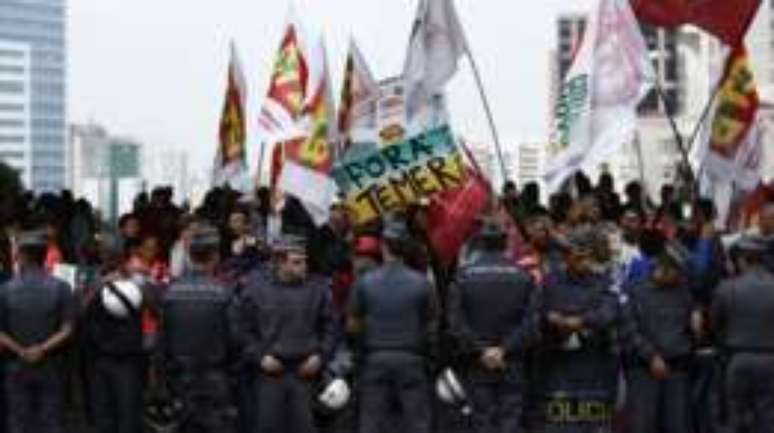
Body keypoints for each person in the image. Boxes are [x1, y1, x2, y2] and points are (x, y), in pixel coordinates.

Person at [447, 220, 542, 433]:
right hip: (512, 362)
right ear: (506, 243)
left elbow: (456, 324)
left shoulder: (463, 277)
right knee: (511, 420)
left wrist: (482, 350)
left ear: (480, 243)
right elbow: (531, 323)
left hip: (477, 364)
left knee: (482, 421)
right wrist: (504, 349)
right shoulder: (523, 277)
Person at [347, 216, 439, 433]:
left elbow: (352, 326)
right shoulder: (423, 284)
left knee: (372, 421)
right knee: (417, 423)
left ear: (384, 246)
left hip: (375, 359)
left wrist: (361, 350)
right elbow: (432, 326)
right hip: (412, 359)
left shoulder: (365, 282)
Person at [240, 234, 336, 433]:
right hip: (269, 375)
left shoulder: (317, 289)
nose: (304, 267)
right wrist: (259, 357)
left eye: (304, 262)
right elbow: (243, 330)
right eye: (296, 262)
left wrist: (320, 356)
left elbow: (331, 327)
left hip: (306, 374)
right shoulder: (256, 290)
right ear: (279, 262)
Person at [535, 229, 621, 433]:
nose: (584, 260)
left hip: (594, 364)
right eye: (578, 255)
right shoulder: (551, 281)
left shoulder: (602, 281)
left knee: (593, 423)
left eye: (587, 255)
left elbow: (609, 313)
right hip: (558, 365)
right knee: (560, 424)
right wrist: (551, 319)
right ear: (567, 256)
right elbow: (536, 312)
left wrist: (580, 321)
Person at [159, 224, 239, 433]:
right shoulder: (225, 293)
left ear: (189, 255)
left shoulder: (171, 293)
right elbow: (237, 340)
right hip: (217, 382)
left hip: (180, 382)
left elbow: (161, 346)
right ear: (215, 256)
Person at [0, 229, 77, 433]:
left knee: (18, 421)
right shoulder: (62, 288)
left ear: (22, 256)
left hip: (16, 365)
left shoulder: (6, 290)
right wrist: (41, 349)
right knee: (51, 421)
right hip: (51, 364)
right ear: (45, 256)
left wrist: (21, 351)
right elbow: (68, 329)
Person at [621, 246, 702, 433]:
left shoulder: (683, 290)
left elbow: (691, 317)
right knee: (644, 424)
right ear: (664, 269)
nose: (681, 278)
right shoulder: (635, 290)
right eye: (678, 273)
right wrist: (651, 356)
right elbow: (628, 329)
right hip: (643, 368)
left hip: (677, 365)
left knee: (678, 424)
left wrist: (696, 314)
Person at [712, 235, 774, 433]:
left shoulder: (727, 288)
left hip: (737, 358)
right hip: (770, 359)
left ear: (741, 259)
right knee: (768, 419)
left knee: (735, 419)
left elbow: (715, 325)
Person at [82, 250, 148, 433]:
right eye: (108, 259)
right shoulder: (96, 284)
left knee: (123, 416)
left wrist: (139, 280)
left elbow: (154, 308)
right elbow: (81, 311)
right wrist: (101, 285)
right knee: (109, 416)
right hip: (105, 358)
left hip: (123, 358)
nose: (110, 263)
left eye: (115, 260)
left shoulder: (136, 283)